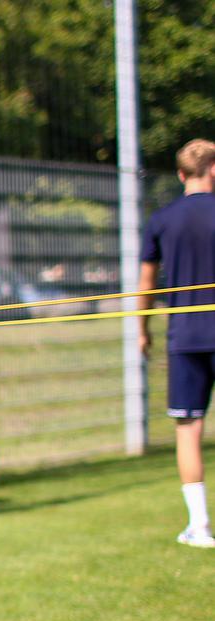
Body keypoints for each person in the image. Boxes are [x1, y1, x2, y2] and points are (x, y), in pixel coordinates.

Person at [139, 138, 215, 548]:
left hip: (184, 337)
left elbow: (146, 284)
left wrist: (141, 328)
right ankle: (198, 527)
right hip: (191, 335)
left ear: (182, 174)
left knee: (188, 429)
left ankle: (200, 526)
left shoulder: (162, 219)